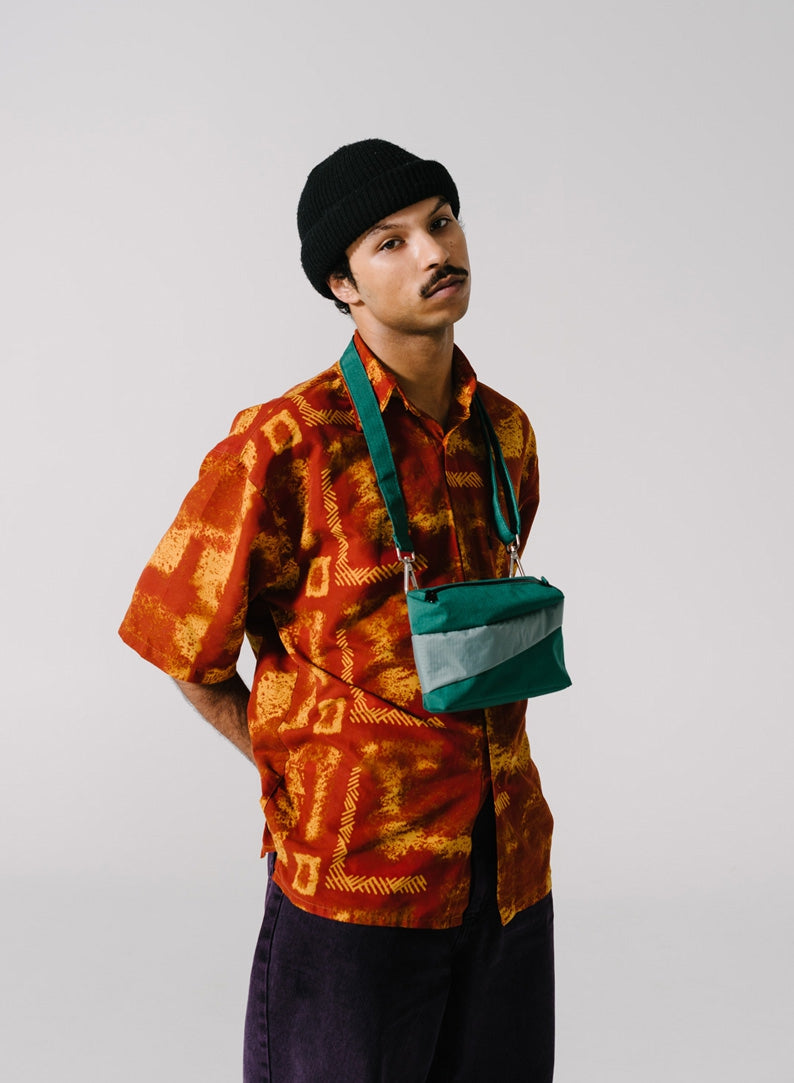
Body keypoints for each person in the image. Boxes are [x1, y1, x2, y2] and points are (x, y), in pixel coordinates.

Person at [120, 138, 556, 1082]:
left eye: (441, 222)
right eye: (390, 242)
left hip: (510, 870)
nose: (434, 251)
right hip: (358, 884)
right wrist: (304, 768)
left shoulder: (507, 432)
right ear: (341, 285)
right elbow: (180, 643)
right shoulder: (285, 444)